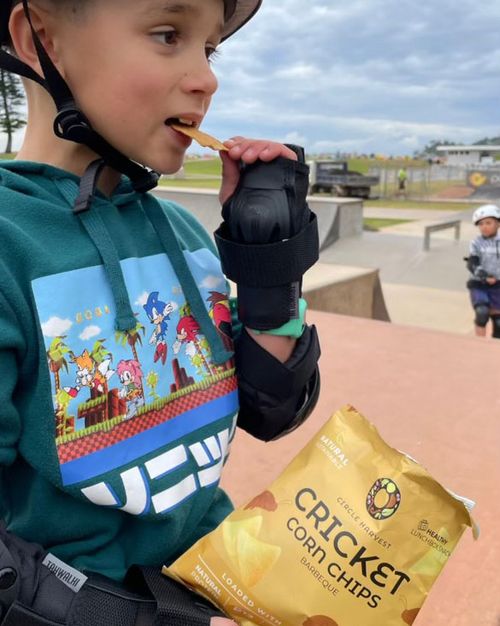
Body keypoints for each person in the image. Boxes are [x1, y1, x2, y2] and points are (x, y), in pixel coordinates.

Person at [0, 1, 321, 624]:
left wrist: (268, 270)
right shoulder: (11, 242)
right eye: (168, 34)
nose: (207, 78)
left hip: (203, 592)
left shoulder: (183, 233)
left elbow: (270, 405)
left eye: (210, 47)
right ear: (41, 40)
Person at [466, 204, 500, 338]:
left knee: (499, 323)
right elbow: (472, 263)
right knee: (482, 312)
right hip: (479, 284)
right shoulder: (476, 243)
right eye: (481, 224)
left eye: (488, 223)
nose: (484, 227)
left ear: (498, 223)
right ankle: (478, 345)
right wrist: (484, 275)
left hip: (498, 285)